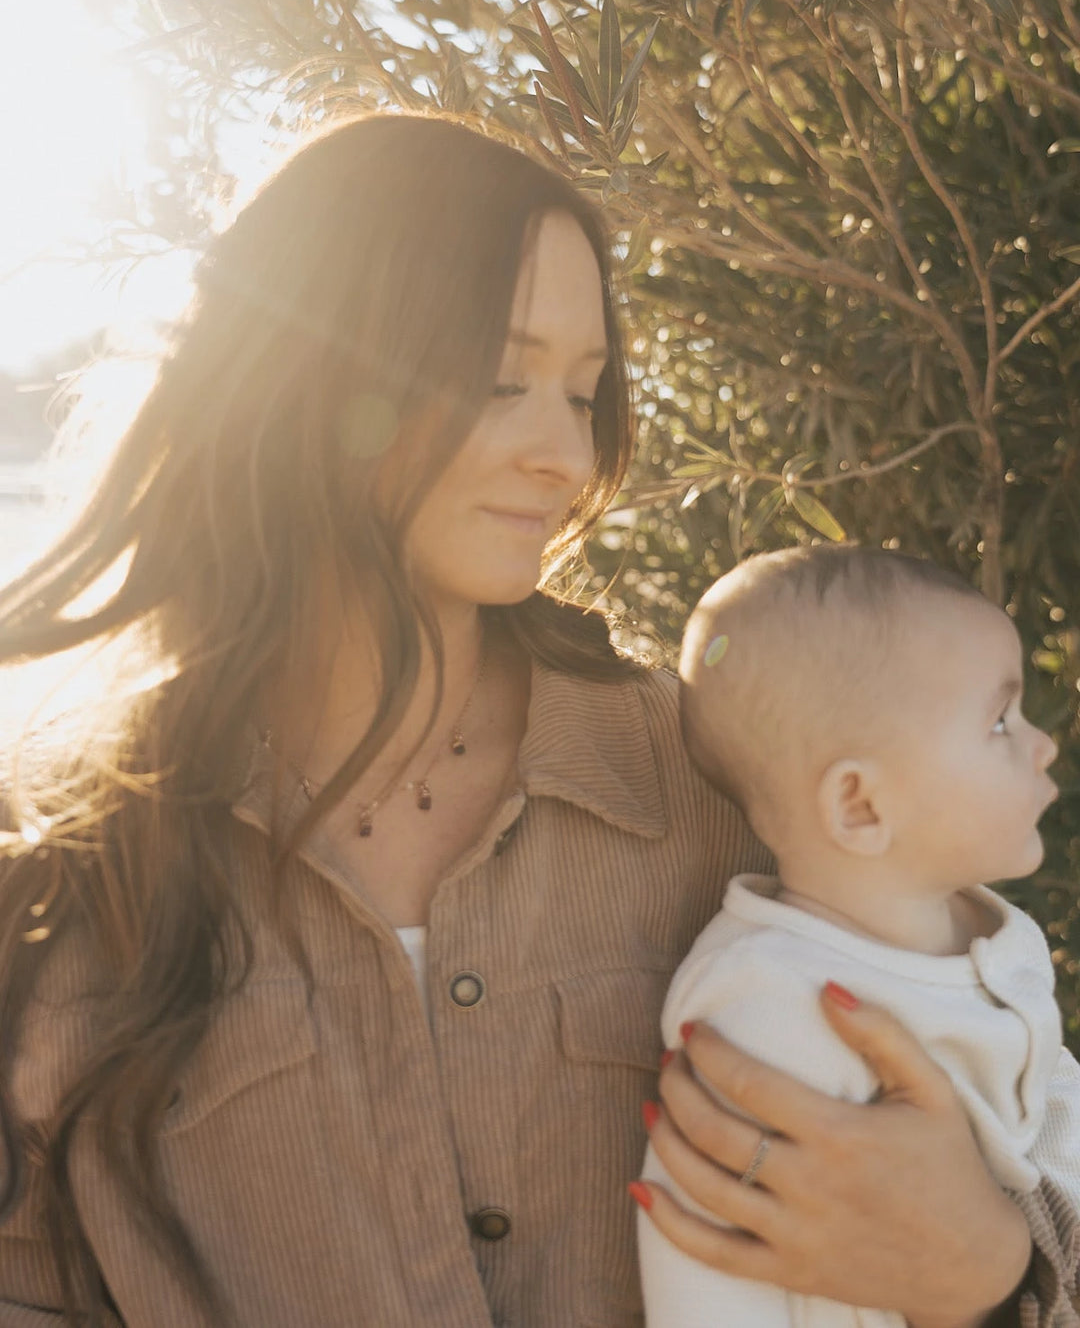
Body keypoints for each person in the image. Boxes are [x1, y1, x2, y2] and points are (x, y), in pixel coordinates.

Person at [0, 112, 1070, 1328]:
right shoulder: (66, 860)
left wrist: (995, 1271)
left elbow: (1021, 1098)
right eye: (502, 379)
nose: (567, 456)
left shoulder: (724, 786)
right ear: (306, 378)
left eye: (585, 390)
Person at [636, 544, 1080, 1327]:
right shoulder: (771, 1004)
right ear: (861, 808)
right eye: (1000, 722)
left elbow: (1056, 1118)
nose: (1042, 745)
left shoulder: (990, 941)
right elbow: (705, 1268)